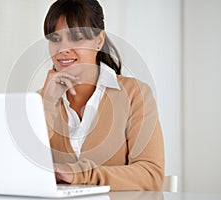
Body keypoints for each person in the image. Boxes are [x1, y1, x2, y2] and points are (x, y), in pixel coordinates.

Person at [41, 0, 164, 191]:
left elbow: (151, 175)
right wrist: (47, 103)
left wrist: (81, 174)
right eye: (55, 39)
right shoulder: (37, 102)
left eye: (76, 37)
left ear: (99, 40)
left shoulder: (134, 94)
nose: (63, 49)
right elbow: (18, 167)